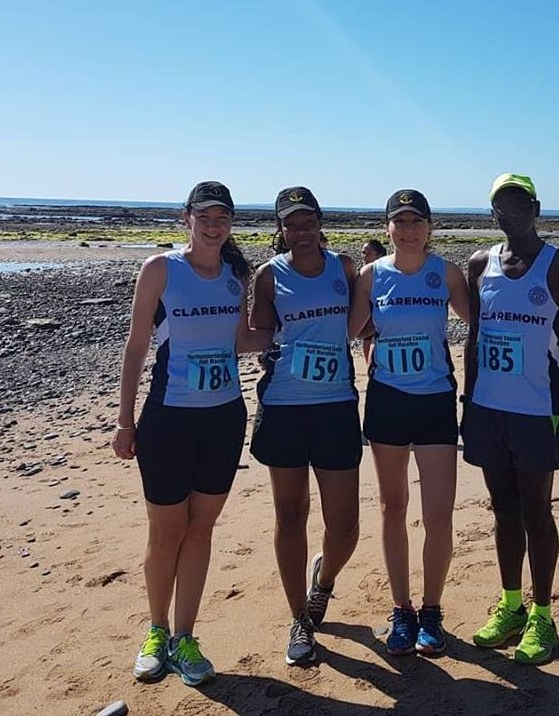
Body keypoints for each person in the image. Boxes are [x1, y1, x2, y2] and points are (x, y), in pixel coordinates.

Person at [111, 181, 271, 686]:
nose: (213, 225)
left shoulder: (235, 277)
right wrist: (125, 420)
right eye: (204, 216)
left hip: (223, 419)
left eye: (222, 217)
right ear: (187, 219)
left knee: (201, 529)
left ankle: (184, 637)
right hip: (168, 420)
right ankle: (156, 631)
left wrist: (303, 329)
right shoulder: (160, 269)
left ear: (231, 223)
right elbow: (136, 346)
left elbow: (241, 340)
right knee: (166, 532)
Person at [462, 173, 559, 665]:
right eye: (502, 206)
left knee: (537, 511)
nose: (511, 213)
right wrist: (467, 403)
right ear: (492, 213)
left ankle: (543, 615)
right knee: (503, 509)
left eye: (520, 204)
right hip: (488, 409)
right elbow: (474, 338)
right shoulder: (481, 264)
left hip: (538, 411)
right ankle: (512, 605)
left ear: (536, 209)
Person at [349, 189, 470, 656]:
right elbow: (346, 330)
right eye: (399, 222)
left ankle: (432, 610)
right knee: (393, 507)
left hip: (435, 399)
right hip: (387, 401)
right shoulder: (371, 276)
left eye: (417, 221)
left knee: (438, 514)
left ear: (430, 227)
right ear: (387, 229)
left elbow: (484, 323)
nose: (408, 230)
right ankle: (401, 609)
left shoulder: (447, 273)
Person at [250, 186, 362, 666]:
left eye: (307, 221)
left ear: (320, 222)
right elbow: (258, 334)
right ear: (281, 228)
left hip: (336, 406)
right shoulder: (269, 276)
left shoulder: (345, 269)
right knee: (291, 514)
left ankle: (325, 581)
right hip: (284, 406)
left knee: (345, 525)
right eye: (290, 224)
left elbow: (363, 324)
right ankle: (299, 618)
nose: (300, 231)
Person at [359, 239, 387, 363]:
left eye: (369, 253)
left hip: (381, 314)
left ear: (379, 255)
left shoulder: (386, 272)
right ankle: (368, 366)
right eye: (363, 253)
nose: (364, 256)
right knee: (366, 339)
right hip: (366, 314)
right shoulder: (363, 273)